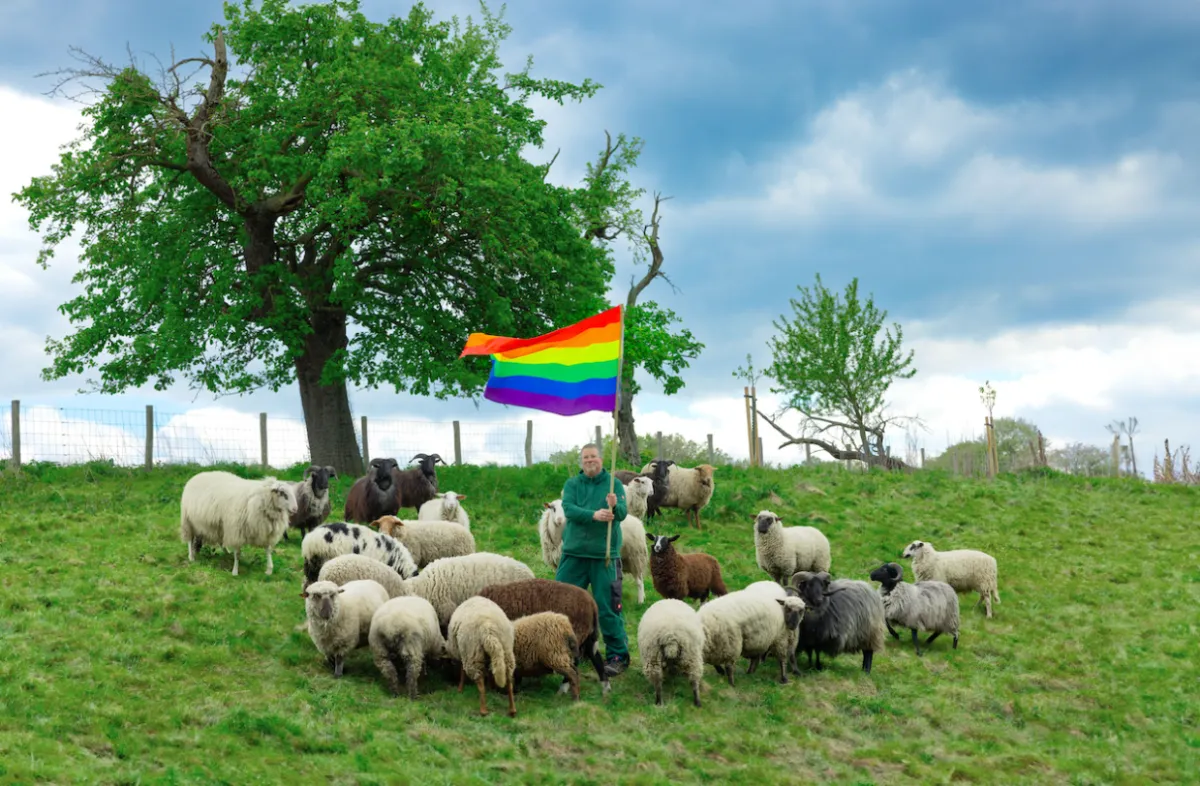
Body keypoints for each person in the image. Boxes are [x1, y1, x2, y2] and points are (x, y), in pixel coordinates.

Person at [555, 442, 631, 677]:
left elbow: (622, 514)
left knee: (607, 607)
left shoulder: (613, 484)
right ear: (582, 461)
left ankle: (618, 655)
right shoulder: (572, 484)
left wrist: (614, 504)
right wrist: (594, 515)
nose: (589, 461)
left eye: (593, 457)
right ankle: (563, 650)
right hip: (574, 555)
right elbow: (568, 509)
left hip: (604, 556)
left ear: (601, 459)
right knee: (561, 604)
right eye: (586, 457)